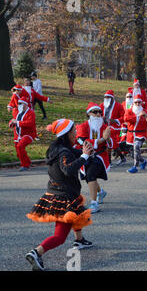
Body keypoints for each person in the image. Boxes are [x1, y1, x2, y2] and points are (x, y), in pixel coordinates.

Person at [25, 119, 93, 271]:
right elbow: (68, 169)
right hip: (64, 197)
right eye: (73, 131)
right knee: (60, 237)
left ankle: (79, 240)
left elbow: (76, 153)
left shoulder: (56, 148)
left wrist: (87, 152)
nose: (76, 133)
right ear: (66, 133)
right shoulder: (63, 152)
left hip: (56, 193)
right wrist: (84, 157)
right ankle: (36, 252)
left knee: (78, 212)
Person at [76, 103, 112, 213]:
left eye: (99, 112)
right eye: (95, 112)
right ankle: (100, 192)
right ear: (89, 114)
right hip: (86, 155)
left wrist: (109, 139)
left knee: (91, 174)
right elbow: (83, 141)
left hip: (100, 156)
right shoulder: (83, 126)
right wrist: (102, 139)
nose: (98, 114)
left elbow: (113, 144)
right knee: (88, 177)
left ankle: (94, 203)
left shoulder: (105, 127)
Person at [124, 95, 147, 174]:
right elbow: (126, 119)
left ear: (141, 103)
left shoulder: (145, 111)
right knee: (133, 153)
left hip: (141, 134)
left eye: (139, 102)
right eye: (136, 102)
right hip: (131, 135)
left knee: (136, 147)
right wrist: (138, 116)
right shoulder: (129, 111)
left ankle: (135, 167)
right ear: (133, 103)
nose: (137, 104)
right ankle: (143, 161)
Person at [8, 96, 36, 171]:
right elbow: (13, 120)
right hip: (18, 135)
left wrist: (17, 122)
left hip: (28, 134)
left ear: (25, 104)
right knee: (18, 150)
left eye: (20, 103)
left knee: (20, 146)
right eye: (18, 103)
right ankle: (28, 162)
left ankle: (25, 165)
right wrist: (11, 123)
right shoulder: (18, 112)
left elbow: (29, 123)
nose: (19, 105)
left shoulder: (31, 113)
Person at [100, 90, 126, 166]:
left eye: (109, 98)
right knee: (113, 145)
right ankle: (122, 158)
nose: (107, 99)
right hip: (104, 128)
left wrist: (114, 120)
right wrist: (102, 118)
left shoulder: (118, 106)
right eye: (106, 98)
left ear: (112, 98)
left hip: (114, 128)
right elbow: (97, 114)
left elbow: (124, 118)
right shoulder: (101, 106)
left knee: (110, 143)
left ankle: (109, 161)